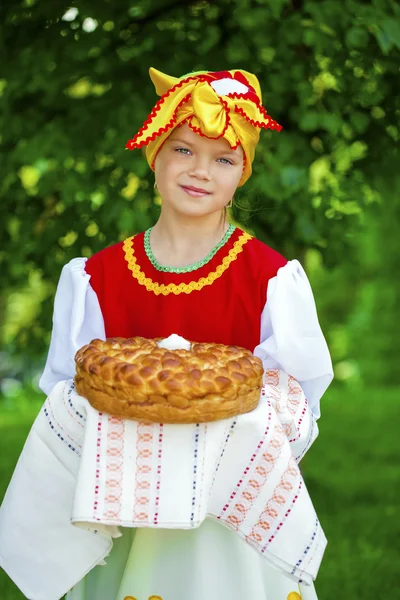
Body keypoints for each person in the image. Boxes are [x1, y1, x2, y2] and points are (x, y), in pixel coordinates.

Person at [7, 68, 334, 600]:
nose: (201, 171)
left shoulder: (271, 278)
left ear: (241, 174)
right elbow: (70, 392)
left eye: (223, 159)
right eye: (183, 150)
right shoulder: (97, 277)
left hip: (227, 512)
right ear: (154, 155)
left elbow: (296, 401)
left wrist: (213, 444)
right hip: (121, 500)